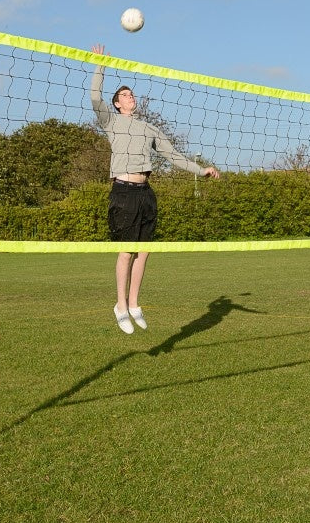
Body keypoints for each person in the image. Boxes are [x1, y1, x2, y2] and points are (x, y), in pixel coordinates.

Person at [90, 44, 220, 334]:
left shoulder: (149, 128)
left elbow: (173, 156)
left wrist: (202, 170)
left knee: (145, 251)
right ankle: (120, 306)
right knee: (126, 252)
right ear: (117, 104)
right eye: (124, 95)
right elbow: (94, 96)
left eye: (131, 93)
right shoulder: (110, 121)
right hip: (122, 192)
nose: (130, 97)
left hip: (145, 192)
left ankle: (134, 303)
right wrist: (99, 64)